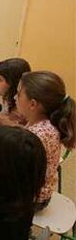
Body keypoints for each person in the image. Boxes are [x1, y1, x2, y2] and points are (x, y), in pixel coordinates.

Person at [14, 71, 75, 209]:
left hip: (33, 199)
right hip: (41, 190)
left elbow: (7, 163)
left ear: (33, 104)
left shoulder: (38, 135)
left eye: (18, 94)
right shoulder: (46, 121)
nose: (14, 97)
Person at [0, 58, 31, 125]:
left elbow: (21, 130)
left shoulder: (22, 104)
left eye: (0, 79)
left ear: (14, 83)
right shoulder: (1, 93)